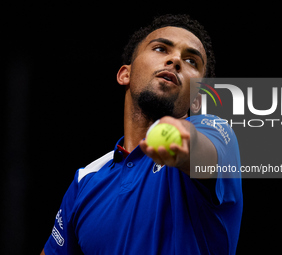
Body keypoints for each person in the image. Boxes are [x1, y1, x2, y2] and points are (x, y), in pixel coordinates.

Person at [41, 14, 243, 255]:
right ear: (125, 74)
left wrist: (183, 141)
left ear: (198, 100)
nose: (176, 59)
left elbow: (203, 150)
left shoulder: (218, 133)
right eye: (160, 48)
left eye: (191, 61)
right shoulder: (85, 180)